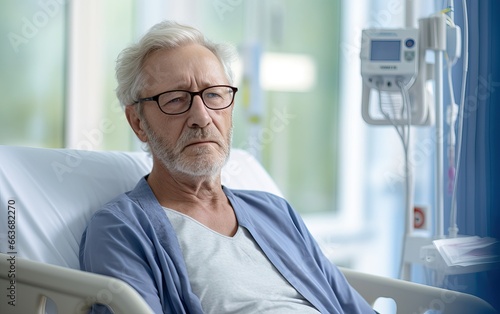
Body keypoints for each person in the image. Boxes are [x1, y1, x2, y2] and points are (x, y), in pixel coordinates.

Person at [79, 20, 375, 314]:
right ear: (138, 123)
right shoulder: (121, 229)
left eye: (214, 95)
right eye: (176, 99)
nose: (202, 117)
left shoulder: (275, 212)